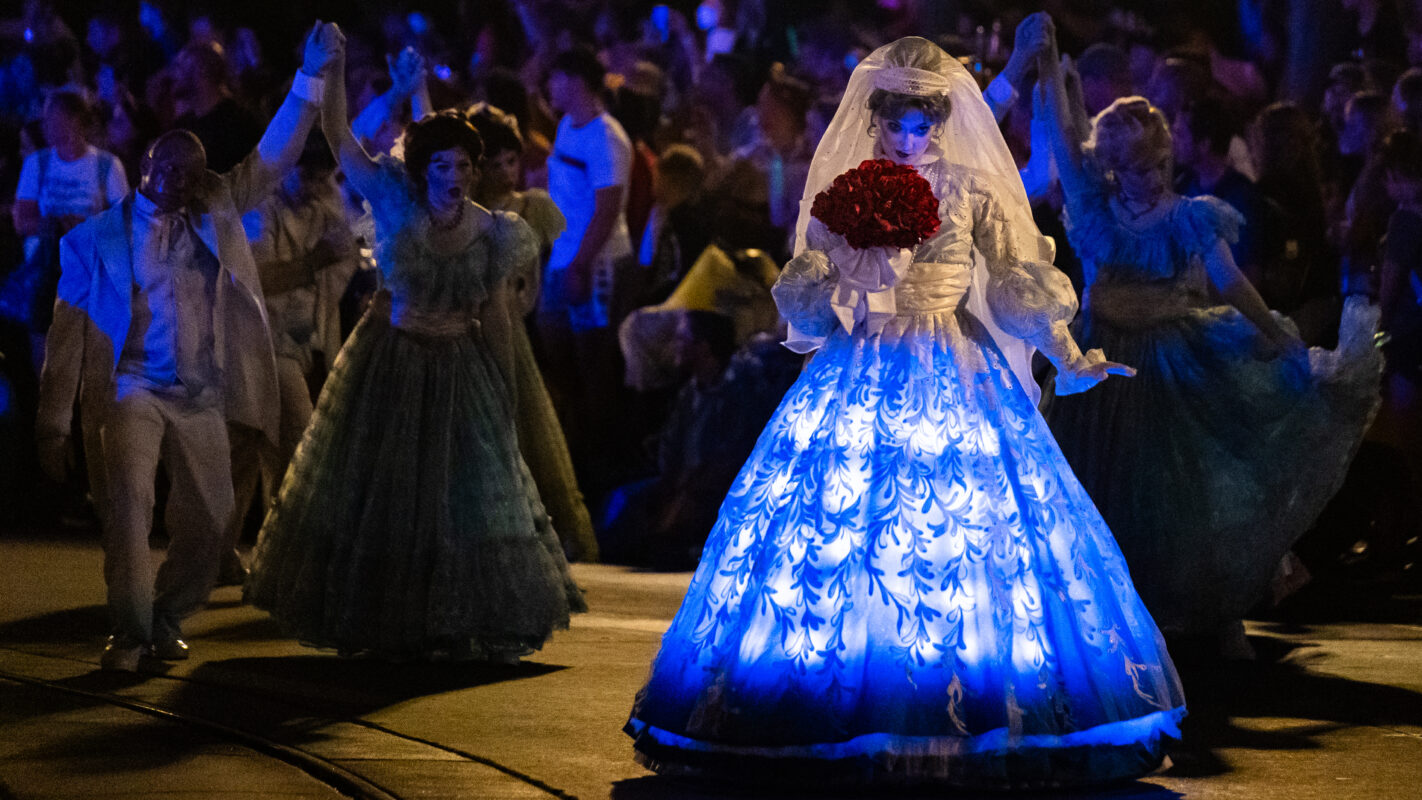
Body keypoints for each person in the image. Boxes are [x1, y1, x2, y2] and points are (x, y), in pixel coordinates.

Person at [626, 37, 1185, 789]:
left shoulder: (970, 192)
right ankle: (840, 693)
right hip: (863, 358)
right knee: (846, 522)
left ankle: (968, 697)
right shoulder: (849, 190)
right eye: (899, 126)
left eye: (924, 125)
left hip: (954, 358)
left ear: (941, 123)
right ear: (879, 124)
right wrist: (836, 289)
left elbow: (1017, 277)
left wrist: (1065, 349)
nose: (911, 140)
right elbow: (805, 291)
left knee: (964, 528)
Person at [247, 29, 584, 662]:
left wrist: (506, 398)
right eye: (442, 165)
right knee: (386, 492)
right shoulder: (394, 199)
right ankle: (384, 616)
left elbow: (499, 318)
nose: (455, 177)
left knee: (456, 496)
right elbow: (341, 139)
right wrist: (336, 68)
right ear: (422, 168)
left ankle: (452, 619)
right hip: (391, 357)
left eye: (464, 166)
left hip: (459, 365)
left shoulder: (491, 230)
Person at [1038, 36, 1383, 655]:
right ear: (1114, 167)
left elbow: (1229, 280)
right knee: (1098, 489)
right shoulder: (1096, 207)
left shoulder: (1189, 216)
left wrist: (1277, 335)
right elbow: (1067, 146)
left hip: (1170, 364)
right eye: (1136, 168)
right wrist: (1053, 75)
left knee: (1178, 494)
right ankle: (1107, 622)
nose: (1150, 178)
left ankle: (1206, 608)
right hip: (1103, 365)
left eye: (1158, 164)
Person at [35, 22, 342, 672]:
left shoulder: (217, 209)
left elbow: (275, 155)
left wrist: (311, 76)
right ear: (146, 164)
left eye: (194, 171)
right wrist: (53, 421)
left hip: (201, 392)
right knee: (129, 504)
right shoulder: (93, 242)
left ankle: (167, 616)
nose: (180, 179)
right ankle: (128, 631)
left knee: (211, 520)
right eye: (169, 167)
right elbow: (65, 336)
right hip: (130, 387)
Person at [469, 102, 600, 563]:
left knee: (530, 436)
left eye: (512, 160)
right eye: (493, 162)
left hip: (506, 330)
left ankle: (553, 541)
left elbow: (529, 287)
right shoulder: (461, 211)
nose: (505, 171)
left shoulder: (531, 207)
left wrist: (504, 310)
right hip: (463, 333)